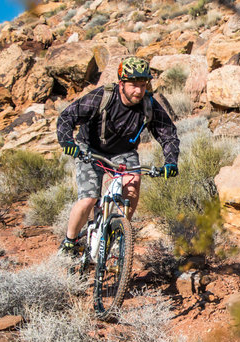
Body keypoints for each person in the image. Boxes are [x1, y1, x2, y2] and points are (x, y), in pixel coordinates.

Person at [56, 56, 180, 255]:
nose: (138, 91)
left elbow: (169, 135)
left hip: (124, 152)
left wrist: (171, 162)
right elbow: (67, 116)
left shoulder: (149, 104)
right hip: (90, 149)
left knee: (132, 186)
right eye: (133, 85)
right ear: (121, 83)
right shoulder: (103, 96)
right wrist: (67, 142)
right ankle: (70, 241)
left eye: (143, 84)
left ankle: (120, 230)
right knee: (88, 199)